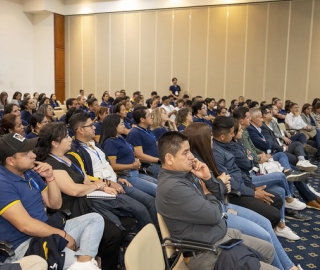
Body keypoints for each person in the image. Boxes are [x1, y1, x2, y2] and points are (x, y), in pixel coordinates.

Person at [184, 122, 302, 270]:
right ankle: (290, 268)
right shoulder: (196, 164)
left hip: (224, 203)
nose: (212, 140)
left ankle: (289, 267)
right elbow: (211, 197)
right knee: (265, 231)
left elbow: (221, 186)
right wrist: (221, 183)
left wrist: (221, 184)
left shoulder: (204, 157)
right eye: (210, 138)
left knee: (267, 223)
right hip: (221, 210)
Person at [156, 131, 277, 270]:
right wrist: (208, 195)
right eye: (185, 153)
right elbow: (214, 214)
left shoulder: (184, 174)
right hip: (206, 251)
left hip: (220, 235)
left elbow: (220, 193)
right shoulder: (173, 187)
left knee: (268, 250)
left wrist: (207, 178)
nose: (191, 157)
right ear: (169, 159)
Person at [35, 122, 135, 270]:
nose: (70, 139)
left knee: (127, 220)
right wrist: (99, 186)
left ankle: (103, 257)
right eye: (66, 137)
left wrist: (104, 185)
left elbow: (86, 180)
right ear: (55, 143)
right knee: (113, 233)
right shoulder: (50, 164)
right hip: (72, 209)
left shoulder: (70, 157)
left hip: (87, 200)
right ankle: (105, 263)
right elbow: (73, 190)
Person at [0, 133, 104, 270]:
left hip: (45, 228)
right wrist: (62, 234)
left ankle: (84, 262)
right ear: (10, 161)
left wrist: (50, 177)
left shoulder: (29, 173)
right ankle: (84, 263)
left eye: (31, 150)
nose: (33, 155)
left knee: (94, 219)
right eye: (26, 153)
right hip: (25, 245)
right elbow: (26, 225)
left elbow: (55, 204)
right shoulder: (3, 183)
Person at [67, 112, 159, 231]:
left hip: (117, 181)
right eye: (91, 125)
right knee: (140, 209)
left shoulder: (94, 143)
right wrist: (108, 183)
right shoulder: (75, 151)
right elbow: (84, 176)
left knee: (150, 201)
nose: (94, 127)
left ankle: (159, 236)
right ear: (80, 130)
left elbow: (106, 165)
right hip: (103, 189)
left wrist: (117, 177)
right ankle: (153, 240)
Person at [234, 106, 320, 213]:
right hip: (256, 166)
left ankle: (307, 195)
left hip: (266, 156)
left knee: (291, 169)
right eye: (248, 117)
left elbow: (256, 148)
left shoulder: (246, 130)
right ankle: (297, 197)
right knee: (286, 172)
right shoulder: (244, 132)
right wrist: (259, 156)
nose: (250, 119)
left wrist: (261, 154)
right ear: (242, 120)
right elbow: (254, 151)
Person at [231, 119, 306, 240]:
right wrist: (251, 157)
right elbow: (248, 163)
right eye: (238, 130)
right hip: (249, 178)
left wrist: (253, 156)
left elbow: (253, 153)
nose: (241, 131)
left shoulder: (238, 142)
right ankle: (289, 198)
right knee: (281, 175)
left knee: (280, 190)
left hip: (251, 174)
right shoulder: (232, 146)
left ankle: (280, 225)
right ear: (232, 132)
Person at [211, 116, 283, 230]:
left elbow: (239, 171)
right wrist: (253, 193)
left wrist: (253, 188)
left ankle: (270, 232)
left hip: (243, 186)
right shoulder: (217, 152)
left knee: (277, 199)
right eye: (231, 133)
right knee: (274, 215)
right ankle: (265, 236)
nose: (233, 135)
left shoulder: (227, 145)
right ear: (222, 136)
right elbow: (230, 181)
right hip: (234, 194)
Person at [100, 114, 158, 197]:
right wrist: (132, 165)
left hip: (135, 172)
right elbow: (113, 166)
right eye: (121, 124)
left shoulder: (119, 138)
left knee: (159, 185)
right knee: (157, 190)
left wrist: (136, 160)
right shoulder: (110, 142)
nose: (124, 126)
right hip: (126, 175)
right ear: (114, 126)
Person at [249, 107, 315, 173]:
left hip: (276, 146)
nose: (262, 120)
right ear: (254, 119)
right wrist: (281, 146)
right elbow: (268, 143)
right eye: (261, 118)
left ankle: (303, 161)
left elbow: (270, 139)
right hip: (271, 152)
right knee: (294, 163)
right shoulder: (258, 128)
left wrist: (279, 141)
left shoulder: (263, 126)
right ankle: (304, 165)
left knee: (299, 143)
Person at [126, 106, 161, 177]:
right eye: (149, 115)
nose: (152, 117)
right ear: (142, 119)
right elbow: (139, 156)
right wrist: (159, 160)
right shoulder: (135, 133)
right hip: (148, 166)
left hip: (156, 163)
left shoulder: (148, 130)